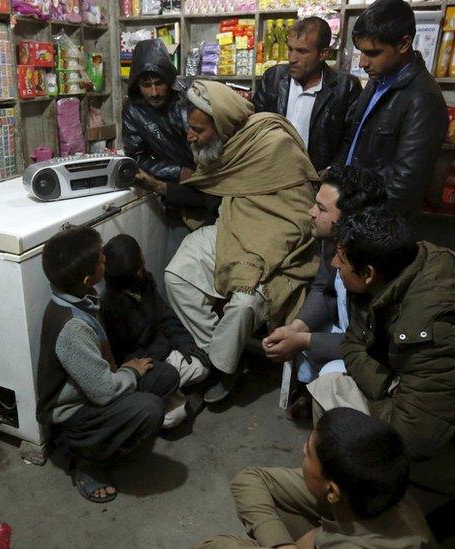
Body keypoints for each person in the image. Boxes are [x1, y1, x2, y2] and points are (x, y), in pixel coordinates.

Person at [311, 207, 455, 512]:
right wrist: (390, 384)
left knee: (348, 449)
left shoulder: (437, 332)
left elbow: (411, 440)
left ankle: (365, 515)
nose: (333, 264)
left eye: (340, 260)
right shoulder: (392, 274)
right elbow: (353, 342)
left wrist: (389, 388)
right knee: (327, 389)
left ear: (368, 273)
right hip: (426, 413)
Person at [165, 79, 318, 404]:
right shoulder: (222, 149)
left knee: (244, 303)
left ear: (221, 125)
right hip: (233, 226)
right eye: (189, 128)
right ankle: (216, 355)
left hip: (281, 245)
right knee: (177, 275)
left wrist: (259, 253)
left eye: (198, 130)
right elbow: (210, 189)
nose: (190, 136)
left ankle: (225, 367)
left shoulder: (273, 142)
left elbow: (298, 216)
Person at [35, 226, 180, 503]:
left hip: (98, 385)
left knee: (165, 376)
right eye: (103, 259)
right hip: (72, 412)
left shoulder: (82, 298)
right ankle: (82, 457)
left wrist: (128, 371)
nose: (107, 261)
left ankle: (114, 434)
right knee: (150, 408)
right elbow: (102, 391)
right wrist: (131, 372)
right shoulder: (72, 326)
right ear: (89, 277)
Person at [196, 408, 435, 548]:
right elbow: (251, 479)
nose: (302, 450)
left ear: (333, 491)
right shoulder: (374, 489)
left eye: (309, 453)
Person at [261, 166, 386, 418]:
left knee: (333, 383)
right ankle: (312, 394)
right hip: (349, 333)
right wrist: (297, 327)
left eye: (321, 208)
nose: (311, 212)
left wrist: (304, 340)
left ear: (348, 220)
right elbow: (324, 287)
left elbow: (366, 344)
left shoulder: (374, 268)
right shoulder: (334, 239)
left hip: (372, 354)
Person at [338, 0, 447, 215]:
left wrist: (366, 224)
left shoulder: (422, 99)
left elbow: (405, 184)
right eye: (361, 52)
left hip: (375, 224)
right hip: (353, 209)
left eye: (373, 53)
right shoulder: (377, 81)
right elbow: (354, 142)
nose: (362, 63)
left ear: (404, 44)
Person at [122, 38, 222, 259]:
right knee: (178, 266)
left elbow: (219, 138)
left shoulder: (192, 94)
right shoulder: (133, 109)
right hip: (180, 197)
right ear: (137, 85)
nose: (154, 92)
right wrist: (177, 171)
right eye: (146, 85)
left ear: (169, 78)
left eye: (159, 82)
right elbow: (135, 157)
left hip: (216, 185)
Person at [101, 234, 213, 428]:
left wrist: (185, 342)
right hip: (145, 366)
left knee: (201, 365)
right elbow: (127, 358)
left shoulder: (145, 282)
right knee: (172, 418)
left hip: (162, 352)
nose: (142, 256)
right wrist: (162, 358)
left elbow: (165, 316)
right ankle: (167, 396)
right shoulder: (111, 306)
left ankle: (173, 392)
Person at [252, 17, 361, 173]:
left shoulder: (345, 88)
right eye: (290, 49)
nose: (292, 59)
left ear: (323, 53)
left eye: (302, 51)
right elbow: (255, 125)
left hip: (316, 182)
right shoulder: (273, 78)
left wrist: (330, 173)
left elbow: (350, 142)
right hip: (271, 176)